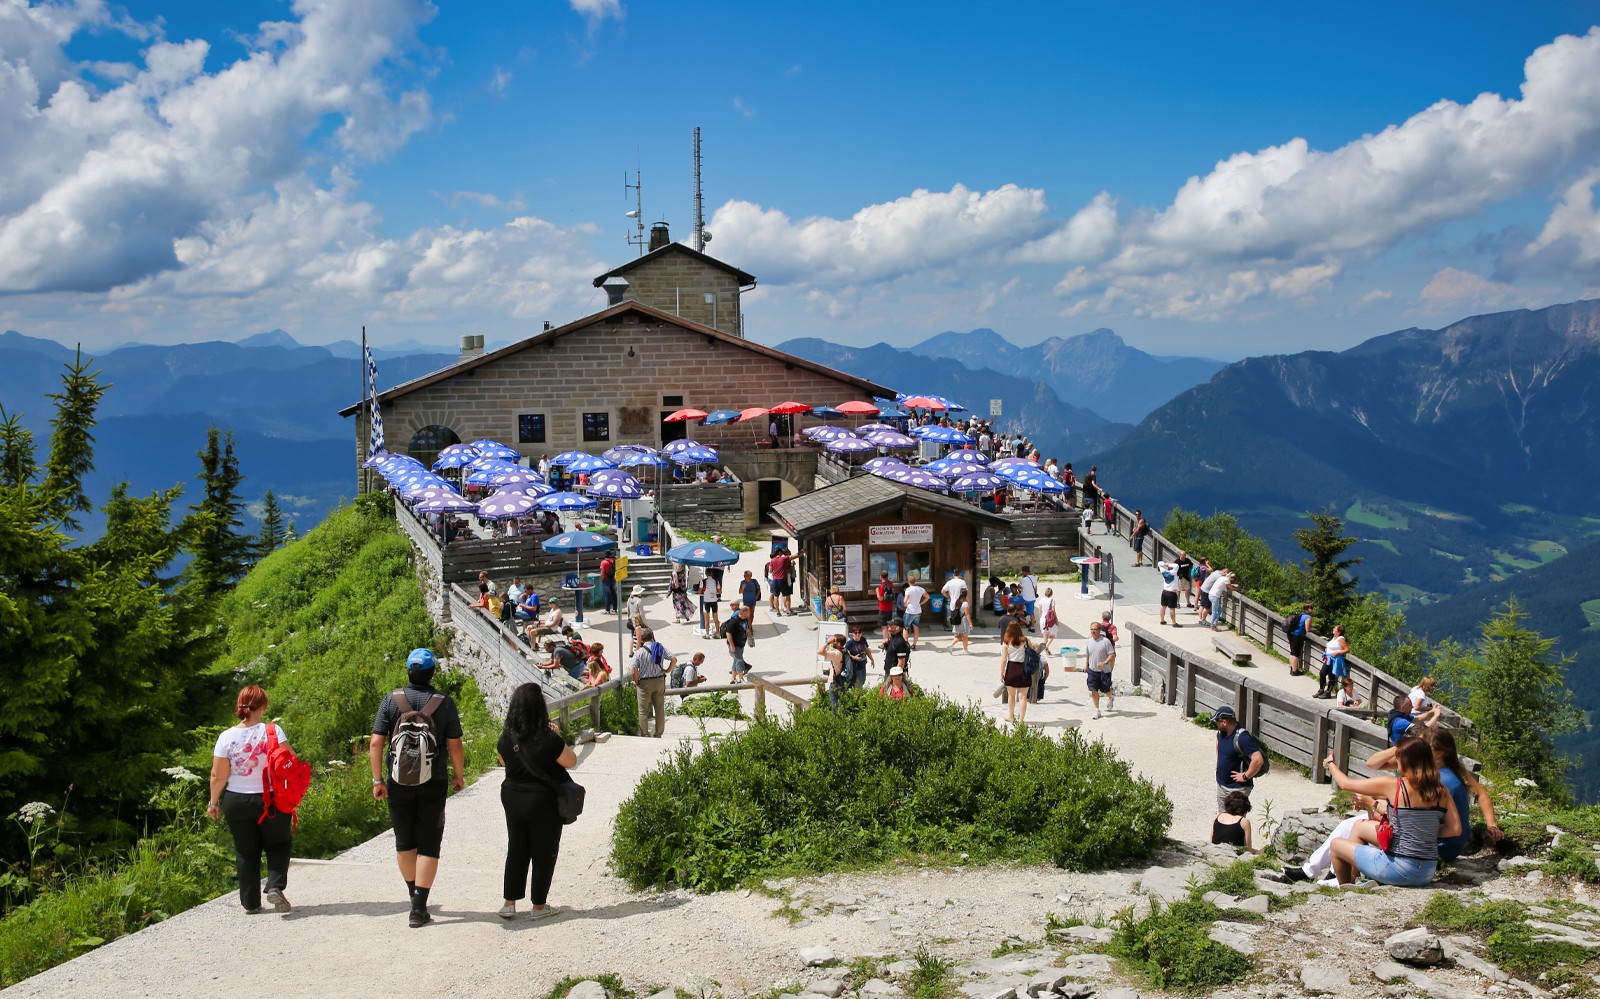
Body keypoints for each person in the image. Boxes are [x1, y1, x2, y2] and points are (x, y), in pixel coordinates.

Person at [370, 648, 466, 928]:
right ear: (433, 672)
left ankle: (413, 894)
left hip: (397, 782)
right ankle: (418, 906)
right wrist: (459, 777)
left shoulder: (391, 700)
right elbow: (455, 745)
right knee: (429, 843)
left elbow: (376, 743)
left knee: (404, 842)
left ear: (408, 671)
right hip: (433, 782)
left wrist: (378, 781)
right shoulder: (444, 703)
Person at [1324, 739, 1462, 886]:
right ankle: (1356, 881)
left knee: (1336, 845)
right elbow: (1455, 829)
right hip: (1427, 872)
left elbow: (1346, 784)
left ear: (1405, 760)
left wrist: (1330, 764)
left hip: (1398, 870)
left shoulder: (1395, 785)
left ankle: (1347, 888)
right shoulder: (1441, 790)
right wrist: (1423, 832)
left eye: (1397, 757)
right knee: (1360, 826)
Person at [208, 685, 294, 914]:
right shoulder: (273, 731)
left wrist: (213, 802)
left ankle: (251, 903)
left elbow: (218, 775)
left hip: (236, 800)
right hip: (271, 799)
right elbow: (290, 762)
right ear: (263, 706)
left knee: (246, 851)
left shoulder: (226, 736)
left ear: (240, 705)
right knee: (279, 843)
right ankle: (274, 886)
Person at [496, 683, 578, 920]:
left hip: (512, 797)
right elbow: (571, 761)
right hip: (543, 799)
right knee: (544, 851)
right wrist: (558, 736)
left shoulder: (507, 736)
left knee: (516, 848)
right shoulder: (548, 737)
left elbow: (503, 761)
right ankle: (539, 907)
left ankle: (509, 904)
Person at [1212, 705, 1264, 811]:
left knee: (1235, 822)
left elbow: (1258, 760)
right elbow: (1219, 747)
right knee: (1222, 819)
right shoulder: (1221, 734)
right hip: (1222, 784)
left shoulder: (1243, 738)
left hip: (1237, 788)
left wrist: (1245, 776)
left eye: (1217, 721)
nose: (1216, 723)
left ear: (1224, 722)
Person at [630, 629, 676, 738]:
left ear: (641, 639)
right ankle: (658, 733)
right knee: (659, 708)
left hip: (644, 682)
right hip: (659, 680)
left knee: (643, 710)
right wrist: (668, 670)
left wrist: (637, 681)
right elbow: (674, 659)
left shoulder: (639, 652)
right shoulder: (659, 648)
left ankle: (645, 734)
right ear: (652, 636)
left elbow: (633, 669)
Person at [999, 620, 1032, 725]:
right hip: (1024, 670)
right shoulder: (1026, 640)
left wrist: (1002, 672)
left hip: (1012, 669)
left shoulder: (1006, 642)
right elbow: (1032, 653)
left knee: (1011, 695)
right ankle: (1021, 720)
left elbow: (1004, 660)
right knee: (1022, 697)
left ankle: (1011, 716)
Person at [1084, 620, 1116, 719]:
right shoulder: (1088, 642)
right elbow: (1088, 655)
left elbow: (1112, 654)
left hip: (1104, 671)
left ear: (1099, 630)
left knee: (1106, 689)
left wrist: (1105, 662)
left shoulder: (1105, 641)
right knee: (1093, 690)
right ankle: (1097, 710)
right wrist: (1086, 665)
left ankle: (1110, 698)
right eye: (1091, 629)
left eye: (1095, 629)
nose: (1093, 631)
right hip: (1092, 670)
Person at [720, 604, 753, 682]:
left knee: (735, 660)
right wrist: (732, 645)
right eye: (748, 612)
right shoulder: (734, 621)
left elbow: (747, 629)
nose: (749, 614)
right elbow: (728, 633)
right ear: (743, 612)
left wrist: (750, 638)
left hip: (741, 644)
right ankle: (741, 678)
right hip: (735, 644)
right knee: (739, 660)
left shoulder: (744, 619)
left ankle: (733, 678)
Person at [1316, 624, 1349, 698]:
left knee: (1331, 676)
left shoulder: (1341, 639)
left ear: (1339, 632)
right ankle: (1321, 690)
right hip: (1328, 658)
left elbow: (1347, 649)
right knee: (1322, 673)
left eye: (1335, 629)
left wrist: (1337, 652)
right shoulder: (1334, 637)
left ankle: (1328, 692)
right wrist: (1327, 649)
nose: (1333, 629)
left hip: (1334, 660)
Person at [822, 633, 849, 712]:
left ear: (839, 644)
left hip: (835, 682)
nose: (833, 642)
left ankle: (836, 722)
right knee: (842, 704)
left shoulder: (836, 653)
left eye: (834, 641)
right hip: (843, 680)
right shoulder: (845, 651)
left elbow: (820, 651)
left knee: (835, 705)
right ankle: (842, 720)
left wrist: (828, 642)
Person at [900, 575, 928, 650]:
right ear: (915, 581)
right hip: (918, 610)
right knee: (916, 628)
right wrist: (921, 603)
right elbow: (927, 597)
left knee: (906, 628)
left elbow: (905, 601)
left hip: (910, 611)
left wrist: (906, 604)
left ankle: (905, 644)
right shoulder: (920, 589)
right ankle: (914, 644)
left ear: (908, 581)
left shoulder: (908, 590)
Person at [844, 624, 874, 689]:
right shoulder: (850, 643)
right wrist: (854, 657)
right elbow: (846, 654)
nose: (858, 634)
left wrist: (872, 659)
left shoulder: (863, 639)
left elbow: (867, 650)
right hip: (855, 667)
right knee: (858, 684)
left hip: (863, 664)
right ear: (853, 634)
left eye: (859, 632)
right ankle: (857, 696)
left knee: (863, 681)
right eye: (856, 633)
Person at [1287, 603, 1313, 676]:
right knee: (1296, 654)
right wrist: (1314, 630)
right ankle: (1295, 671)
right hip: (1297, 635)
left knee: (1292, 652)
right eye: (1311, 608)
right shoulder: (1308, 617)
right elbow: (1308, 629)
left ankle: (1292, 669)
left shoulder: (1300, 614)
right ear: (1308, 609)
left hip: (1291, 634)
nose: (1312, 609)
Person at [948, 585, 973, 653]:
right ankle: (953, 645)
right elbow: (967, 614)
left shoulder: (957, 601)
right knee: (964, 635)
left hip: (958, 620)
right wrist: (971, 624)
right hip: (964, 621)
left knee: (961, 635)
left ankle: (965, 650)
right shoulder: (965, 603)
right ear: (966, 595)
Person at [1157, 560, 1182, 626]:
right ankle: (1174, 622)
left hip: (1164, 591)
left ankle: (1162, 620)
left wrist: (1165, 564)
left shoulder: (1164, 572)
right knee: (1172, 608)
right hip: (1172, 593)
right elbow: (1176, 565)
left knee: (1163, 606)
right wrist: (1169, 564)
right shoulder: (1174, 572)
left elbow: (1159, 563)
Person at [698, 572, 721, 637]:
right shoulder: (716, 581)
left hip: (706, 601)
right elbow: (720, 591)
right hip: (714, 601)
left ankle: (707, 634)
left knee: (707, 618)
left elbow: (699, 591)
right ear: (712, 573)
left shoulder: (703, 581)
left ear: (706, 573)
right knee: (716, 618)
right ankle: (717, 633)